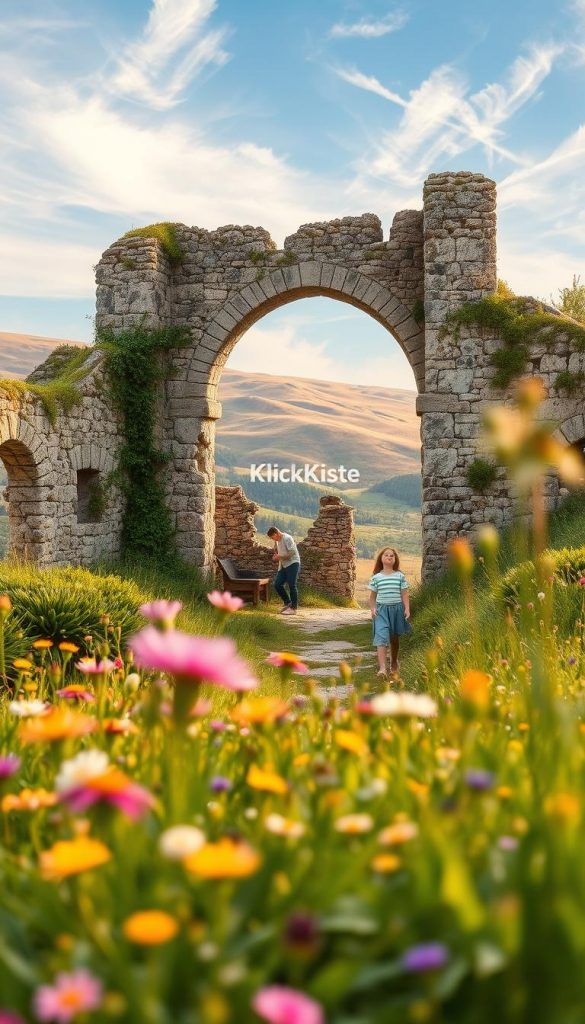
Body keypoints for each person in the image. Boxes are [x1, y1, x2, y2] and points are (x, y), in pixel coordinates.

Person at [368, 546, 412, 677]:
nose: (389, 557)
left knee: (394, 638)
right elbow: (372, 597)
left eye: (391, 555)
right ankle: (382, 668)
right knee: (381, 637)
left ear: (395, 559)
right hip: (381, 611)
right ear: (381, 559)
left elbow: (404, 594)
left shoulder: (400, 576)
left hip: (397, 610)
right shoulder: (376, 577)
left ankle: (394, 661)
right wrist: (373, 608)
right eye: (386, 555)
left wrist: (407, 608)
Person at [267, 526, 301, 615]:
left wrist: (279, 557)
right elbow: (282, 554)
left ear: (276, 533)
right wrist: (277, 557)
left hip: (293, 563)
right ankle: (288, 603)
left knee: (291, 585)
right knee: (277, 584)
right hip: (283, 565)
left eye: (272, 537)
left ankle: (294, 608)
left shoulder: (287, 538)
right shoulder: (278, 541)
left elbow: (292, 553)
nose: (272, 539)